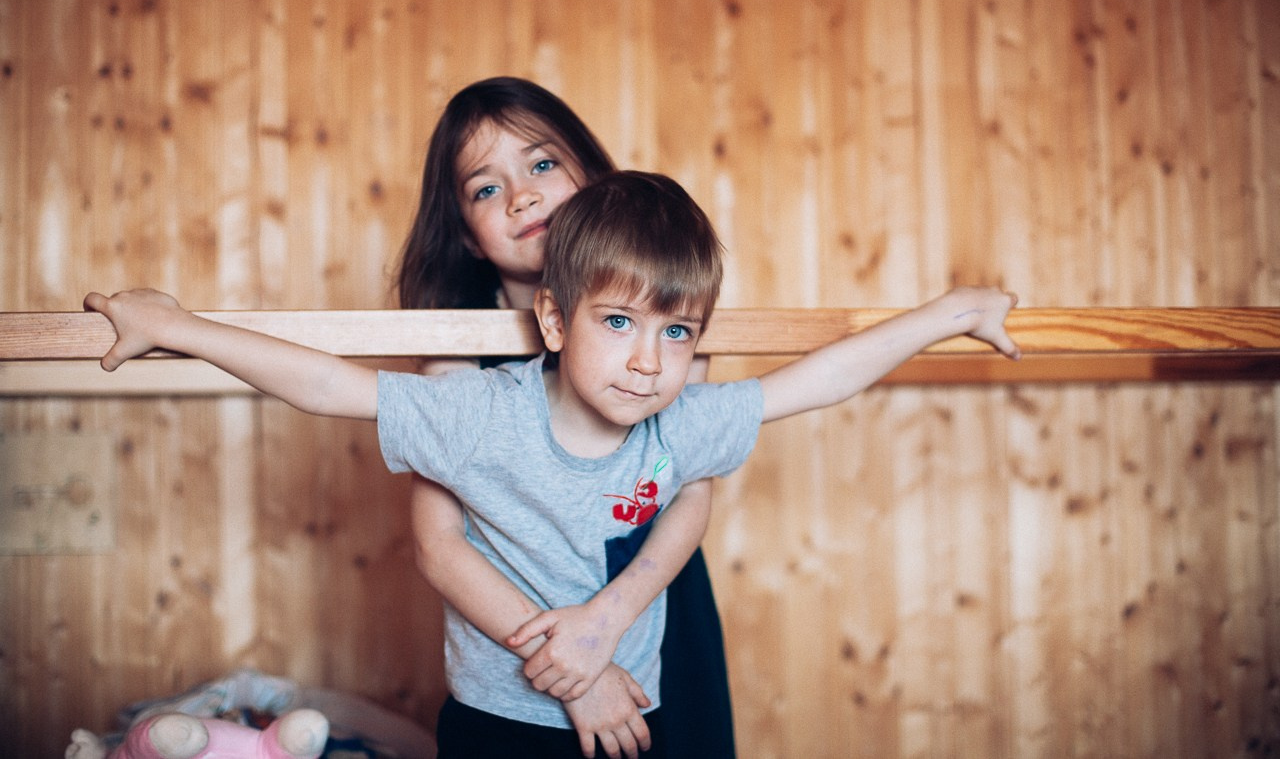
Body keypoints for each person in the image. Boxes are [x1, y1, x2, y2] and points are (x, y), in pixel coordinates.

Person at [84, 170, 1021, 759]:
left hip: (628, 723)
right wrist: (178, 327)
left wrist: (949, 312)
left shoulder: (680, 423)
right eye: (618, 323)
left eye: (676, 333)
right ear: (557, 321)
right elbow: (328, 384)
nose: (648, 359)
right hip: (504, 728)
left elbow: (820, 380)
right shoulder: (481, 412)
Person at [395, 77, 738, 757]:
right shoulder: (456, 355)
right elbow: (440, 543)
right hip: (517, 628)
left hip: (654, 594)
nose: (522, 194)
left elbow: (690, 486)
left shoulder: (666, 325)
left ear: (593, 173)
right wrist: (577, 675)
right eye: (485, 188)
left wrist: (610, 618)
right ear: (466, 235)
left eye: (542, 164)